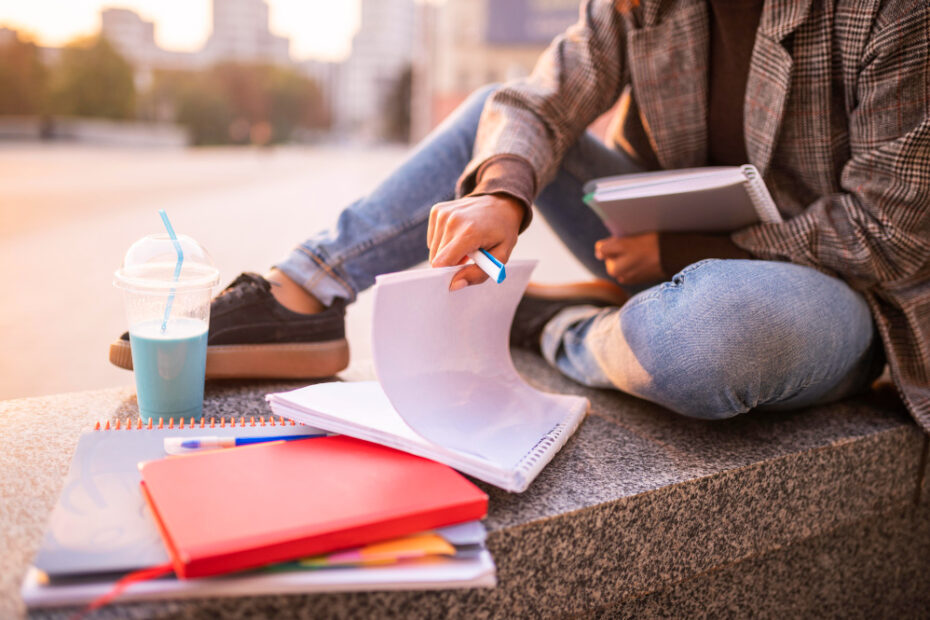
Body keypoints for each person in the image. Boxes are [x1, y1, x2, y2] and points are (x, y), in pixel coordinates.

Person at [110, 0, 930, 429]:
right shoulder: (639, 2)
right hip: (660, 244)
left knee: (709, 338)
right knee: (494, 117)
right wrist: (499, 192)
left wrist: (683, 247)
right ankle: (307, 292)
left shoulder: (892, 10)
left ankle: (551, 325)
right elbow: (537, 101)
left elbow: (891, 233)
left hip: (841, 294)